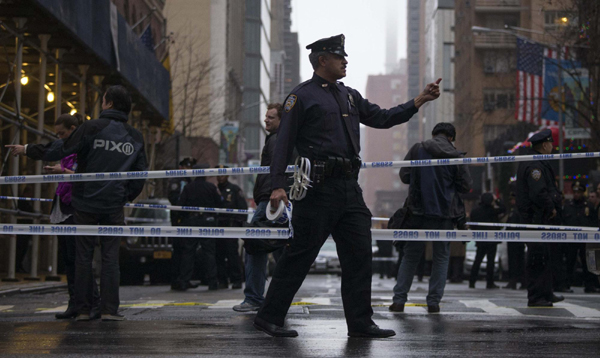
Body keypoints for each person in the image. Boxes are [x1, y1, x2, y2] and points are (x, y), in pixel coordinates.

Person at [254, 34, 443, 338]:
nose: (345, 61)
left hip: (349, 189)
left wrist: (419, 100)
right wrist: (277, 186)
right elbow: (283, 144)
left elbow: (382, 117)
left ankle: (360, 322)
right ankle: (269, 316)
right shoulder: (301, 97)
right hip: (316, 189)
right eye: (339, 57)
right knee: (300, 255)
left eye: (345, 56)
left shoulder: (350, 96)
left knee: (359, 254)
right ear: (322, 61)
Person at [8, 85, 147, 321]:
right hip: (113, 205)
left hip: (85, 202)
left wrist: (29, 149)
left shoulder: (92, 128)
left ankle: (83, 309)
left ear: (109, 103)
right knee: (110, 258)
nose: (102, 104)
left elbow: (63, 148)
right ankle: (109, 310)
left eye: (103, 101)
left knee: (83, 256)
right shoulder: (134, 136)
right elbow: (140, 173)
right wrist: (125, 196)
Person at [390, 122, 472, 314]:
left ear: (434, 134)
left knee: (410, 257)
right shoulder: (456, 155)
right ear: (451, 137)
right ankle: (433, 303)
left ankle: (399, 301)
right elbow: (466, 186)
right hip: (445, 214)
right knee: (441, 258)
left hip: (417, 212)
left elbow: (404, 175)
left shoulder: (418, 149)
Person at [42, 113, 101, 319]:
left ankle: (92, 302)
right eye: (57, 134)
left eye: (63, 133)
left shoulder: (83, 149)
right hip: (63, 206)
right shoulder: (66, 149)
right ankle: (75, 302)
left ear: (74, 129)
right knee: (68, 258)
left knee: (80, 258)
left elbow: (84, 176)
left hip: (77, 206)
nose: (60, 137)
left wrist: (64, 170)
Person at [233, 103, 285, 312]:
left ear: (282, 120)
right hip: (275, 199)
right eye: (266, 116)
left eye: (271, 117)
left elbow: (277, 168)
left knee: (254, 247)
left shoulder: (276, 140)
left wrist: (274, 191)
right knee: (282, 249)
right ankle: (279, 298)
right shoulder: (279, 138)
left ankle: (254, 298)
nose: (266, 120)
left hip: (270, 200)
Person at [516, 129, 564, 307]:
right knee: (537, 257)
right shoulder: (535, 165)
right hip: (536, 218)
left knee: (545, 256)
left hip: (539, 218)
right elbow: (538, 192)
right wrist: (550, 207)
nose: (552, 146)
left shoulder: (537, 161)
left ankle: (546, 292)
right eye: (551, 143)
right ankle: (537, 296)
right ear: (544, 145)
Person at [171, 164, 222, 291]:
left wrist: (183, 219)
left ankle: (184, 281)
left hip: (191, 220)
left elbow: (180, 205)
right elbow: (219, 203)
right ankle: (212, 282)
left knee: (188, 252)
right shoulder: (211, 187)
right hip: (207, 221)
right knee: (209, 252)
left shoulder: (188, 188)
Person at [562, 182, 600, 293]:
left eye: (579, 192)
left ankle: (590, 285)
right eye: (575, 192)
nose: (576, 194)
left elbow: (594, 222)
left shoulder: (588, 206)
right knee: (570, 262)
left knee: (587, 262)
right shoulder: (568, 206)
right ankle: (566, 284)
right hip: (571, 240)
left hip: (586, 239)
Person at [215, 165, 247, 289]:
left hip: (230, 227)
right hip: (217, 228)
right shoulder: (214, 189)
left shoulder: (234, 190)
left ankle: (237, 280)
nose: (220, 177)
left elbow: (242, 209)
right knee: (219, 255)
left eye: (223, 174)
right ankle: (222, 280)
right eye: (218, 174)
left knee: (232, 255)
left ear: (227, 175)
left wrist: (239, 226)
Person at [468, 193, 506, 289]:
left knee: (478, 260)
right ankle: (490, 282)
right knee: (490, 261)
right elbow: (503, 209)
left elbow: (472, 224)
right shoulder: (492, 211)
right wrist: (498, 200)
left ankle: (472, 281)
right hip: (491, 239)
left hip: (480, 239)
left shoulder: (475, 211)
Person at [504, 192, 525, 290]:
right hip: (512, 241)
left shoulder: (518, 211)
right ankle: (513, 281)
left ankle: (518, 281)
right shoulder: (513, 211)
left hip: (516, 242)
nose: (511, 201)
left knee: (517, 262)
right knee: (513, 262)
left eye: (513, 199)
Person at [168, 157, 197, 226]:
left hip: (189, 214)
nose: (188, 170)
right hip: (176, 213)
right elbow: (172, 197)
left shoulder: (192, 183)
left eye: (190, 168)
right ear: (182, 168)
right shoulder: (176, 181)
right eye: (186, 167)